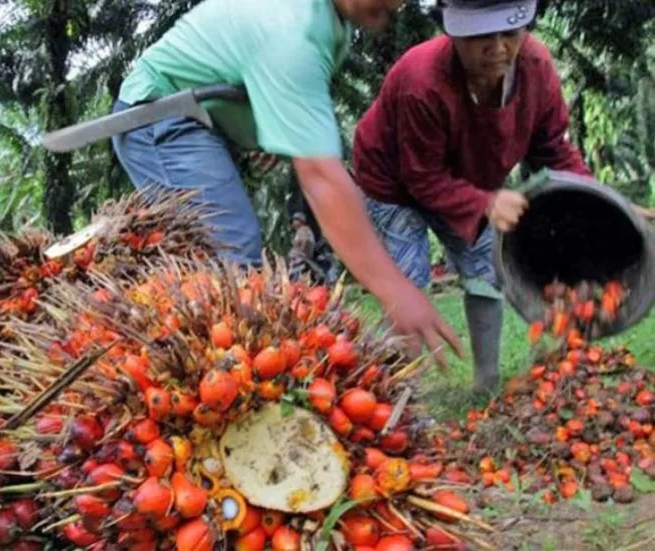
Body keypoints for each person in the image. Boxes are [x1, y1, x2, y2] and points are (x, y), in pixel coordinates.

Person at [111, 0, 464, 367]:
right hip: (158, 114)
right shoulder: (293, 32)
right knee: (231, 259)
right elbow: (322, 179)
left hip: (201, 114)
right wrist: (394, 289)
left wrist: (262, 127)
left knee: (230, 272)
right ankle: (186, 383)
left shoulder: (330, 20)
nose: (398, 5)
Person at [351, 0, 591, 393]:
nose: (497, 47)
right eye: (481, 36)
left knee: (485, 269)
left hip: (466, 180)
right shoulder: (422, 81)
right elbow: (422, 177)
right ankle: (396, 391)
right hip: (391, 182)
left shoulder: (535, 68)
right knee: (407, 283)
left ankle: (486, 381)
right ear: (454, 35)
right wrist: (486, 204)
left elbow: (554, 148)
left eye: (510, 34)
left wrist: (595, 196)